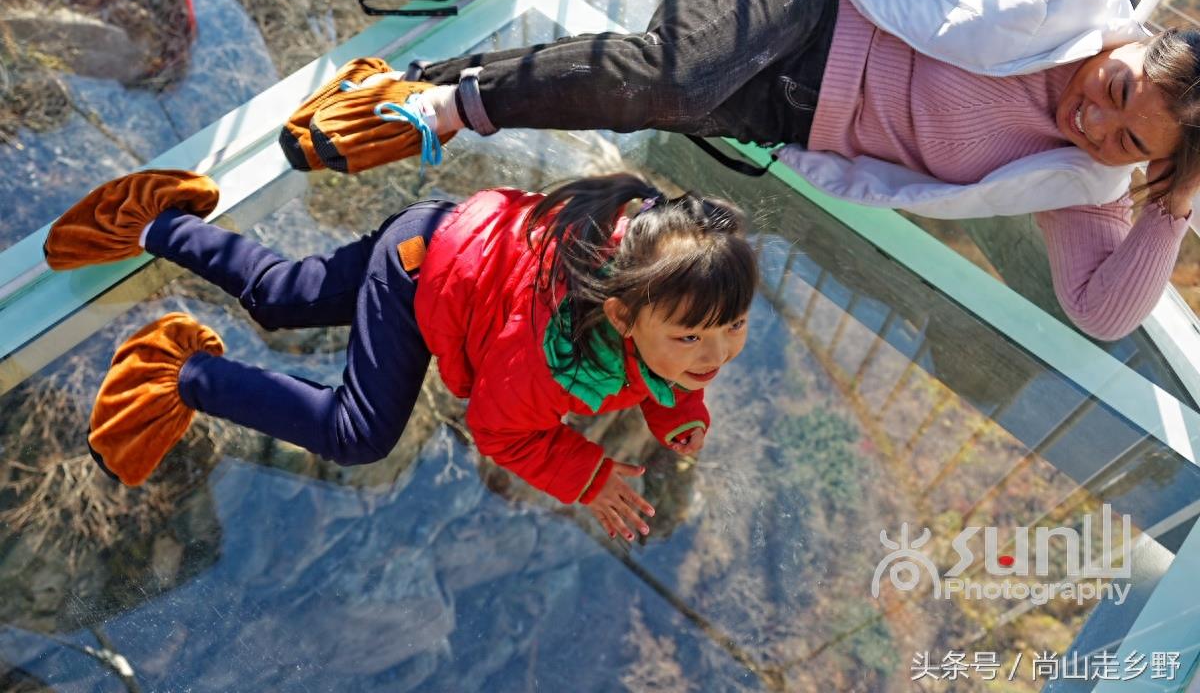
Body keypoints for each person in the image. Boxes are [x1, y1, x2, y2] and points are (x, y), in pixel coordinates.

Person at [280, 0, 1200, 342]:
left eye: (1132, 144)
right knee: (673, 85)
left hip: (788, 111)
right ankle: (441, 106)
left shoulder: (1087, 183)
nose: (1095, 121)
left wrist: (1172, 198)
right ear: (1136, 40)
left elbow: (1101, 314)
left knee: (668, 98)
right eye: (1119, 90)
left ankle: (426, 82)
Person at [44, 169, 755, 541]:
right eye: (693, 338)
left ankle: (158, 223)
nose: (716, 352)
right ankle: (179, 371)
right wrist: (589, 473)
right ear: (621, 315)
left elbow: (671, 363)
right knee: (355, 435)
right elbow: (499, 429)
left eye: (734, 325)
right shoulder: (551, 360)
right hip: (423, 277)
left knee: (280, 299)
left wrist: (679, 406)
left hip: (437, 233)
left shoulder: (649, 275)